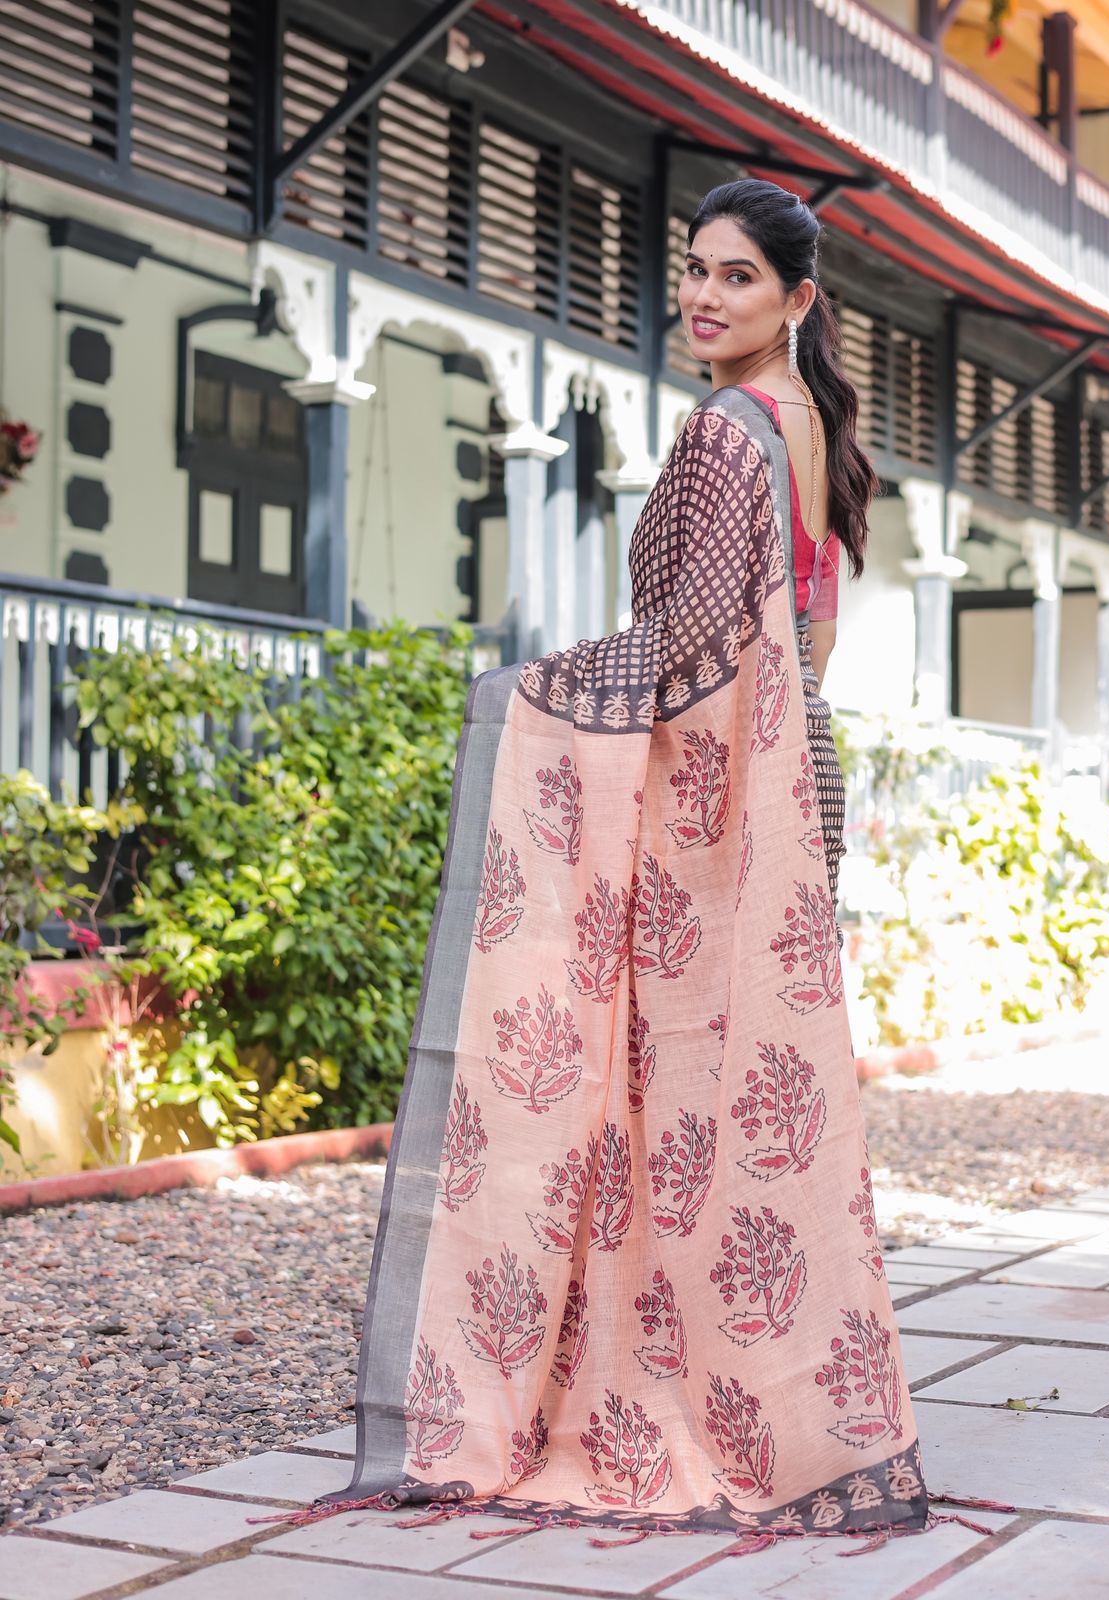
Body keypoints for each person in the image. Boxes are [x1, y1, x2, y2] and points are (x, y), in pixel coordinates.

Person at [272, 179, 1004, 1556]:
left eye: (736, 277)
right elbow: (802, 644)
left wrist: (524, 694)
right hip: (792, 772)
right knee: (736, 1099)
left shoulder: (730, 429)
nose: (704, 296)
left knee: (668, 1101)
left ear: (798, 300)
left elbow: (678, 655)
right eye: (694, 271)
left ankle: (667, 1396)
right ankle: (762, 1398)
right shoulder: (811, 428)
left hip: (720, 792)